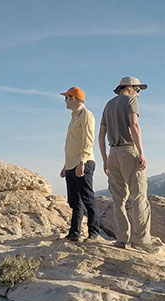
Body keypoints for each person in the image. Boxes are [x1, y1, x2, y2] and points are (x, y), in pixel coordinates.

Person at [98, 76, 156, 252]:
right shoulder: (130, 101)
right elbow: (134, 125)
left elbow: (101, 135)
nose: (138, 94)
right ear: (130, 87)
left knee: (118, 198)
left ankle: (122, 239)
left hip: (113, 153)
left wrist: (105, 159)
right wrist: (141, 152)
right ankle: (142, 241)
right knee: (139, 196)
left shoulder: (108, 104)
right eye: (137, 90)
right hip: (128, 151)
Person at [59, 86, 100, 241]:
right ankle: (74, 234)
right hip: (71, 164)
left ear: (73, 98)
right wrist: (66, 165)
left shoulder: (86, 115)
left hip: (83, 162)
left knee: (88, 199)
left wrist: (81, 162)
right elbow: (72, 143)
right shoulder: (74, 117)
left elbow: (88, 140)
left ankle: (93, 233)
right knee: (74, 202)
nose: (65, 101)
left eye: (66, 98)